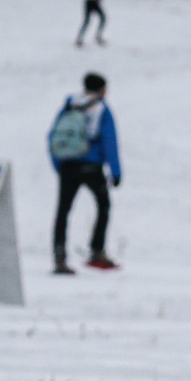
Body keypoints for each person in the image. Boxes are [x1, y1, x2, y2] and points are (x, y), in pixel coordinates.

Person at [47, 72, 122, 274]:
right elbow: (109, 141)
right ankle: (97, 251)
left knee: (63, 211)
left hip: (68, 166)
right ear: (102, 89)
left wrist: (58, 165)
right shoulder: (102, 109)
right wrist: (115, 172)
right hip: (92, 167)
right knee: (103, 205)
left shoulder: (69, 105)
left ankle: (59, 257)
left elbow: (54, 135)